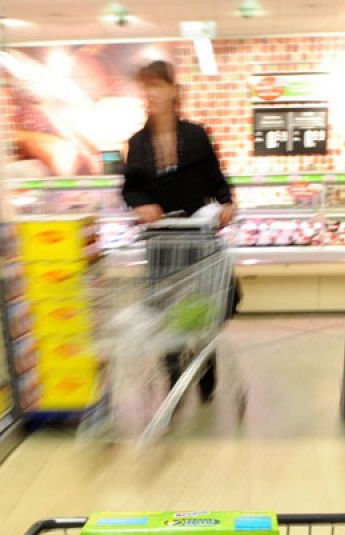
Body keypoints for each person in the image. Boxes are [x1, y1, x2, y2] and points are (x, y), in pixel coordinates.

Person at [121, 59, 237, 401]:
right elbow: (130, 189)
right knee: (166, 310)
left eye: (156, 85)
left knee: (199, 307)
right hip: (161, 242)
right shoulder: (138, 143)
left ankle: (204, 366)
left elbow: (217, 180)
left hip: (197, 238)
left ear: (173, 89)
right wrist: (140, 205)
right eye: (146, 87)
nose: (150, 93)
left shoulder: (196, 135)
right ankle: (172, 373)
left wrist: (228, 203)